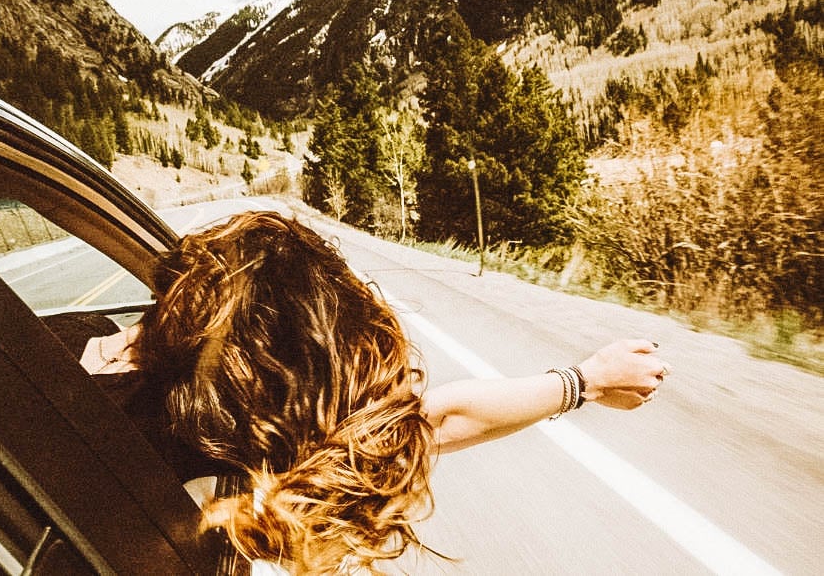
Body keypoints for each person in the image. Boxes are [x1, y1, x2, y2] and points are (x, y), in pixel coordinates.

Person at [59, 211, 670, 574]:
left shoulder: (50, 343)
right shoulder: (218, 440)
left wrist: (584, 381)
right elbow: (435, 418)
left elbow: (428, 418)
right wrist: (584, 382)